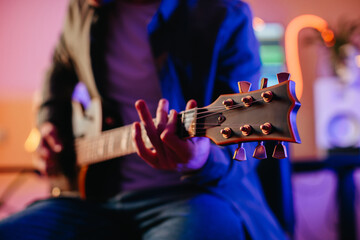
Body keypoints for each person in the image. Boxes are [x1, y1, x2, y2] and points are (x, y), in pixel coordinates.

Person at [0, 0, 288, 239]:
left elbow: (247, 150)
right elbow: (60, 67)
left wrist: (201, 159)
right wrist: (50, 121)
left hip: (196, 198)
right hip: (96, 198)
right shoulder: (84, 8)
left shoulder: (223, 13)